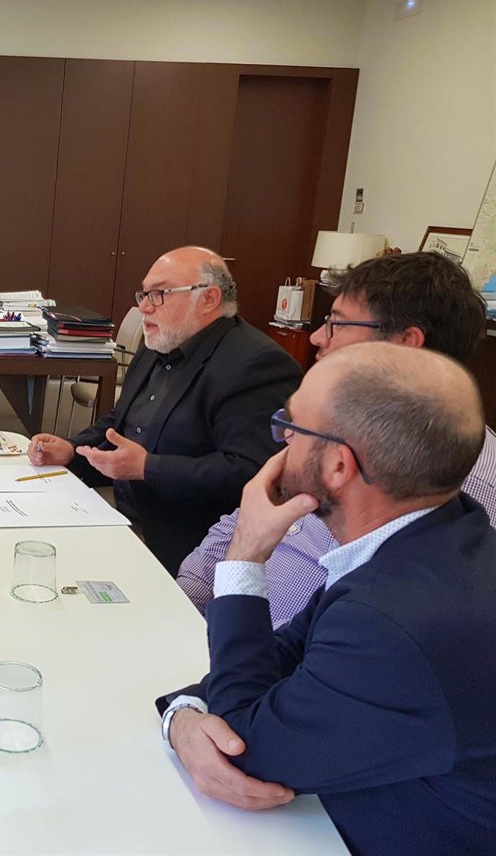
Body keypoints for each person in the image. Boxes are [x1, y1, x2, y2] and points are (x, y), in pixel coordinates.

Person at [157, 343, 496, 852]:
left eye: (292, 425)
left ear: (338, 465)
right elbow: (284, 660)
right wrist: (183, 714)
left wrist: (246, 553)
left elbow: (244, 745)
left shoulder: (396, 620)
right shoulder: (437, 540)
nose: (282, 440)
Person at [178, 251, 496, 626]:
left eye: (337, 324)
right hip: (215, 627)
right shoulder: (329, 423)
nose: (317, 337)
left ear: (405, 342)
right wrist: (181, 600)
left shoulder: (460, 483)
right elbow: (246, 518)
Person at [29, 247, 301, 575]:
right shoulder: (160, 342)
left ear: (209, 298)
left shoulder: (256, 364)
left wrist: (148, 468)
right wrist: (73, 451)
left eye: (159, 294)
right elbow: (120, 423)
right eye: (144, 294)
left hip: (188, 550)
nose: (144, 307)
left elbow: (249, 471)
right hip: (120, 520)